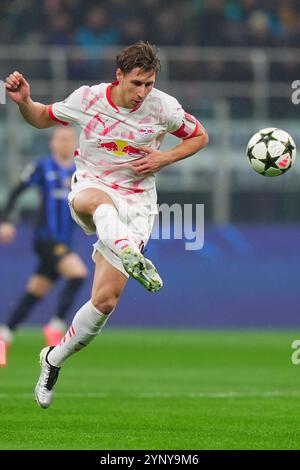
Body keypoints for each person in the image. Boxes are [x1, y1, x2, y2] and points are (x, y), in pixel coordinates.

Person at [5, 41, 209, 408]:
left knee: (105, 301)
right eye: (136, 84)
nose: (142, 92)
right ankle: (127, 250)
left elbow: (199, 137)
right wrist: (23, 101)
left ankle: (53, 359)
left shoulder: (163, 107)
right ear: (119, 76)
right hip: (93, 186)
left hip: (137, 204)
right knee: (97, 202)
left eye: (149, 84)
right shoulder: (89, 99)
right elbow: (40, 116)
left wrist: (164, 158)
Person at [0, 127, 88, 349]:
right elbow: (16, 191)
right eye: (61, 139)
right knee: (78, 274)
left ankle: (5, 334)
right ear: (52, 143)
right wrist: (6, 221)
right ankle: (55, 326)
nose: (65, 143)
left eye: (69, 139)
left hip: (66, 241)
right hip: (45, 239)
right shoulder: (42, 167)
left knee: (35, 291)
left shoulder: (81, 172)